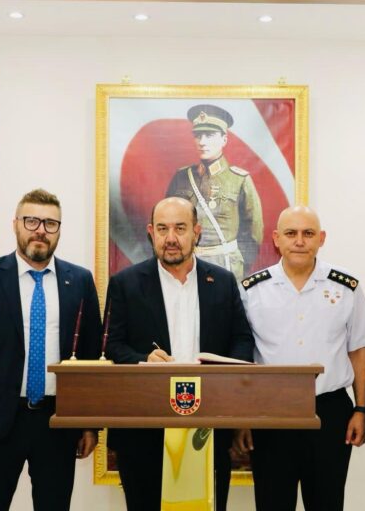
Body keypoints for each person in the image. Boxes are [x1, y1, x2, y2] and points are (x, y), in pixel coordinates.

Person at [0, 189, 102, 510]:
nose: (40, 230)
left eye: (50, 223)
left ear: (59, 230)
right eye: (32, 221)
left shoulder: (80, 281)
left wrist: (90, 424)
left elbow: (90, 357)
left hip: (57, 422)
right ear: (15, 224)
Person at [105, 196, 254, 511]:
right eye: (162, 229)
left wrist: (222, 374)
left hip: (209, 426)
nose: (170, 238)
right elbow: (112, 345)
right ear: (151, 232)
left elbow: (242, 340)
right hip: (144, 431)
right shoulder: (125, 284)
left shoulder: (223, 282)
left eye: (180, 228)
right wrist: (142, 360)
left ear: (196, 232)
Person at [232, 205, 365, 511]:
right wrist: (242, 418)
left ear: (321, 238)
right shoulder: (251, 290)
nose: (299, 241)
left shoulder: (346, 287)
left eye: (308, 233)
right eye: (291, 233)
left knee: (327, 503)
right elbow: (242, 359)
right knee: (272, 503)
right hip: (269, 413)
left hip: (329, 412)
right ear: (276, 239)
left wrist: (361, 410)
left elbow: (358, 351)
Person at [166, 104, 264, 281]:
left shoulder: (239, 180)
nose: (202, 142)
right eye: (198, 135)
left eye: (209, 135)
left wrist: (239, 264)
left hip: (226, 265)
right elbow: (165, 222)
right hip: (187, 266)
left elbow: (253, 232)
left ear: (224, 139)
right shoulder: (182, 177)